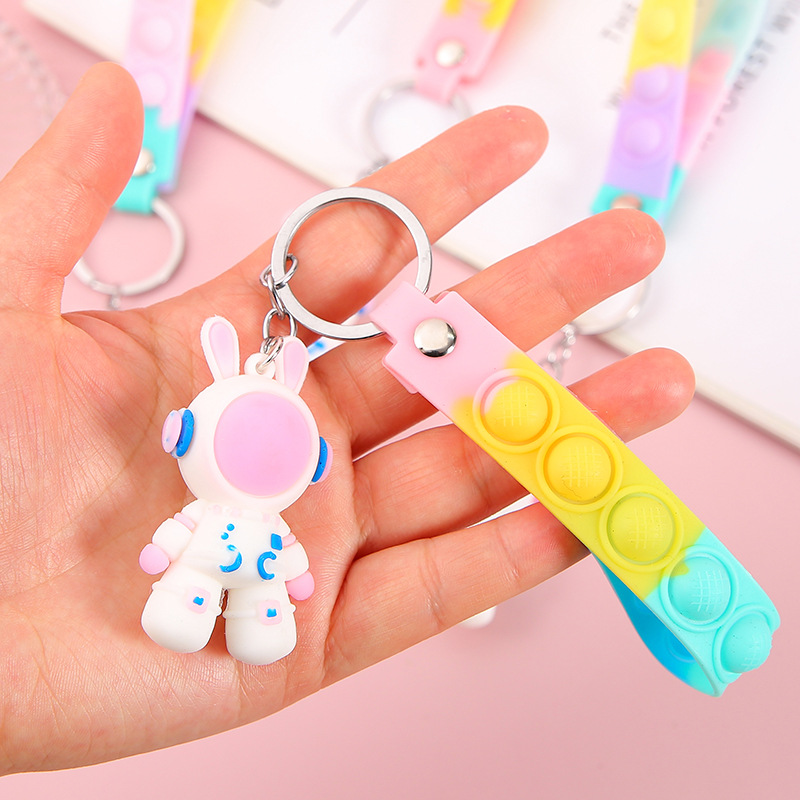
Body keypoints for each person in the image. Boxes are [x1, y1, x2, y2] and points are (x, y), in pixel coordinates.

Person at [0, 62, 694, 775]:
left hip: (258, 564)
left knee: (265, 611)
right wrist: (190, 557)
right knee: (198, 594)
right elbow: (190, 533)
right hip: (226, 557)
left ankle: (255, 621)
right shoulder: (229, 493)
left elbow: (255, 548)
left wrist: (290, 575)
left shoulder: (266, 484)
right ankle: (204, 610)